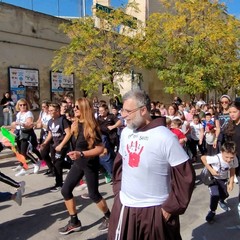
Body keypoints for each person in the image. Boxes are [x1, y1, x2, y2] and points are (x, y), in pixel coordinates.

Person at [108, 90, 195, 240]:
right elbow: (120, 165)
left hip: (154, 211)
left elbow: (185, 175)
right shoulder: (126, 133)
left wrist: (170, 207)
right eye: (123, 110)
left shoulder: (165, 137)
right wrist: (118, 191)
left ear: (143, 110)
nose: (123, 115)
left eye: (128, 111)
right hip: (125, 208)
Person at [59, 98, 111, 235]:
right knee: (65, 190)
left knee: (93, 194)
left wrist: (81, 154)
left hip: (89, 164)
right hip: (78, 163)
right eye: (74, 106)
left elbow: (100, 149)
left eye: (77, 107)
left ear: (84, 109)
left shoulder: (92, 126)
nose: (74, 108)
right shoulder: (76, 124)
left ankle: (110, 217)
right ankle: (74, 222)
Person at [201, 141, 238, 223]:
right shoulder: (216, 158)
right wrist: (211, 170)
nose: (229, 160)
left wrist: (231, 182)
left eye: (231, 157)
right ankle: (212, 211)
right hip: (213, 179)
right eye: (226, 157)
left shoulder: (234, 159)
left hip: (223, 179)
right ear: (221, 152)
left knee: (224, 194)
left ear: (235, 154)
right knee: (215, 195)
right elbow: (203, 158)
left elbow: (232, 169)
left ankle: (221, 200)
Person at [40, 103, 71, 192]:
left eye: (51, 110)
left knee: (57, 164)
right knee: (56, 162)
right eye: (49, 110)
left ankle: (59, 184)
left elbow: (68, 133)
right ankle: (74, 166)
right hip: (54, 145)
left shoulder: (62, 120)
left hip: (62, 145)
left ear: (57, 111)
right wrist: (45, 143)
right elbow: (50, 133)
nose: (49, 112)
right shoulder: (50, 121)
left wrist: (61, 145)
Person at [11, 98, 42, 176]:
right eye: (20, 105)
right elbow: (15, 125)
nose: (22, 106)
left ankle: (34, 163)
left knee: (25, 152)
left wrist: (21, 124)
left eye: (24, 105)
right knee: (20, 152)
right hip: (19, 133)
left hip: (27, 134)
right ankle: (23, 165)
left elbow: (30, 124)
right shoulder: (19, 114)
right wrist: (14, 126)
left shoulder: (29, 113)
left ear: (26, 105)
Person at [224, 99, 240, 218]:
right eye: (230, 112)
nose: (232, 114)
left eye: (234, 111)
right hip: (234, 161)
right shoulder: (230, 126)